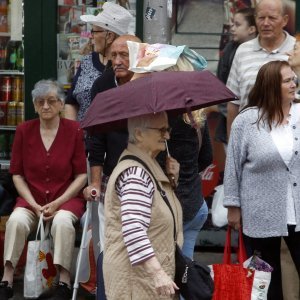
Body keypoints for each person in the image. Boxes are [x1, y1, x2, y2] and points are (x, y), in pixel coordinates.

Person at [0, 80, 87, 300]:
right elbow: (17, 174)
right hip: (32, 199)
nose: (46, 106)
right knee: (16, 222)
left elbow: (82, 175)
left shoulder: (75, 130)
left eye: (51, 101)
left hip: (66, 199)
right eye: (40, 102)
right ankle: (7, 278)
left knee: (62, 222)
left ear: (61, 104)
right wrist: (33, 205)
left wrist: (58, 204)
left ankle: (64, 282)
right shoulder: (24, 130)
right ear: (34, 105)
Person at [224, 60, 300, 300]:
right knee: (264, 281)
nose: (294, 83)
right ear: (270, 86)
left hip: (297, 211)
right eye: (287, 80)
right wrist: (233, 206)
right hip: (259, 212)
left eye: (294, 79)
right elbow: (232, 165)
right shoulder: (247, 121)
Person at [103, 112, 183, 299]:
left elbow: (157, 209)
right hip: (136, 281)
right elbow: (134, 228)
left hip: (143, 280)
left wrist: (172, 179)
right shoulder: (135, 174)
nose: (168, 136)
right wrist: (157, 273)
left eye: (168, 129)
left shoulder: (148, 165)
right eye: (162, 130)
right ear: (139, 134)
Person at [226, 0, 295, 137]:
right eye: (261, 18)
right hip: (250, 138)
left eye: (272, 18)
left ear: (285, 20)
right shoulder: (243, 50)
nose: (266, 23)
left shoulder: (297, 49)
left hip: (291, 138)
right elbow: (233, 102)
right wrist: (232, 143)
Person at [64, 2, 133, 121]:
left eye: (94, 32)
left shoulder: (127, 67)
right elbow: (71, 101)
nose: (91, 36)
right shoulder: (87, 61)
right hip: (82, 137)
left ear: (109, 36)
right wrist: (74, 133)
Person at [216, 7, 257, 145]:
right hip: (229, 117)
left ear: (252, 29)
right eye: (232, 23)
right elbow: (221, 82)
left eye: (237, 24)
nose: (232, 28)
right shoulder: (229, 49)